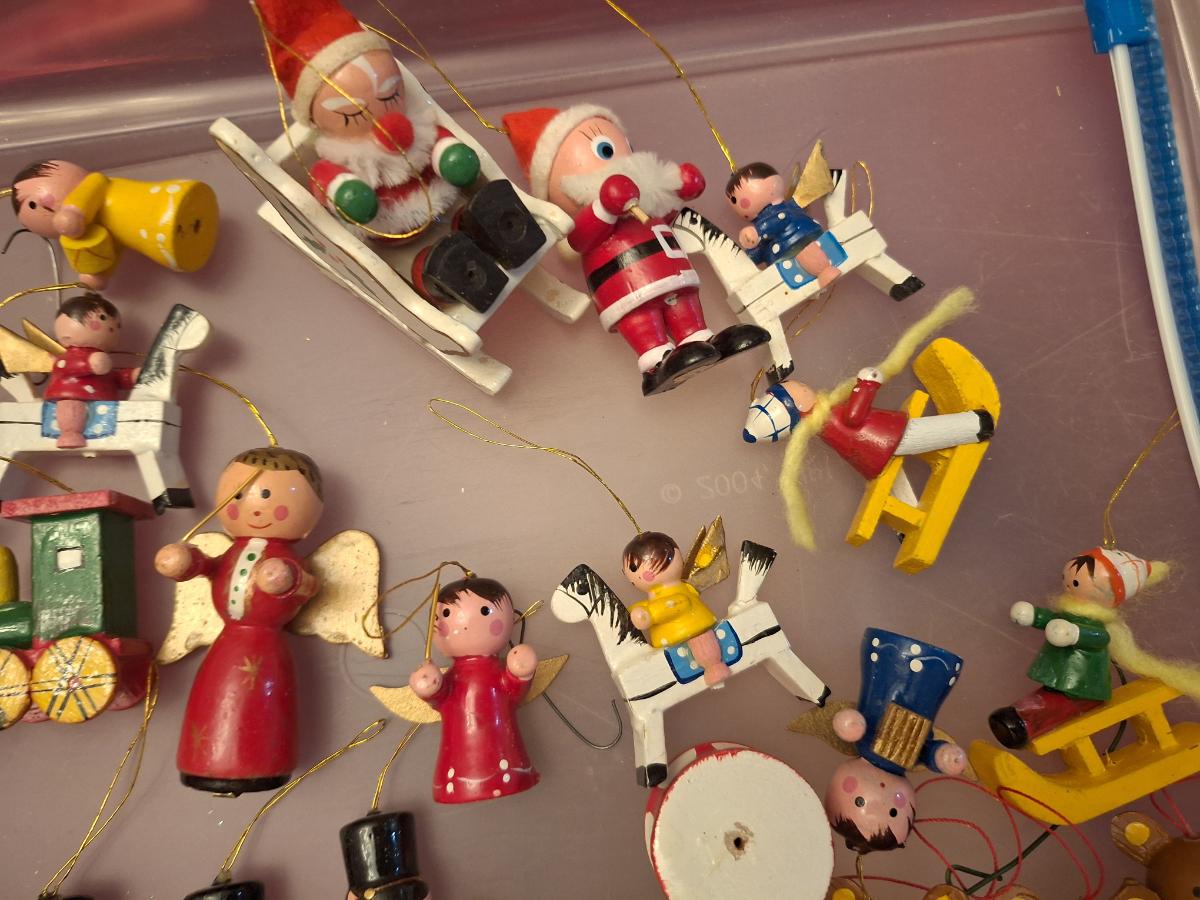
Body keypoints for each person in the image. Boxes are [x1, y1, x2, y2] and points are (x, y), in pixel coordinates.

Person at [254, 0, 544, 313]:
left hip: (444, 205)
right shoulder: (341, 157)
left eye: (392, 94)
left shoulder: (417, 126)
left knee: (480, 215)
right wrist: (347, 193)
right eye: (353, 114)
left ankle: (487, 233)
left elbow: (437, 140)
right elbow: (327, 182)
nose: (385, 118)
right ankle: (436, 280)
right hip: (391, 232)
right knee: (434, 264)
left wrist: (450, 154)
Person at [502, 104, 770, 395]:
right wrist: (606, 206)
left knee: (683, 305)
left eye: (626, 147)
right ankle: (656, 361)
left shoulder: (644, 201)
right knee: (642, 318)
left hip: (672, 272)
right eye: (606, 150)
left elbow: (667, 213)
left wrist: (680, 189)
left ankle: (699, 340)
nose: (624, 159)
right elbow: (580, 240)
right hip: (625, 288)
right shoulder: (588, 219)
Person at [155, 447, 324, 794]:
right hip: (227, 648)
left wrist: (289, 580)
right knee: (215, 702)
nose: (256, 507)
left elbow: (308, 585)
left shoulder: (288, 558)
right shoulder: (232, 552)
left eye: (267, 496)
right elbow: (207, 566)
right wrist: (185, 562)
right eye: (240, 495)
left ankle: (261, 764)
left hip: (264, 651)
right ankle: (204, 763)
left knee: (257, 709)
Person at [824, 629, 966, 853]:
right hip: (941, 674)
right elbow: (928, 751)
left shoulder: (865, 742)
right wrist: (943, 757)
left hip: (883, 659)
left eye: (860, 802)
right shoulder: (910, 757)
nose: (880, 800)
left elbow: (848, 722)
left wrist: (849, 725)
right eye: (893, 812)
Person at [408, 576, 540, 804]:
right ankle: (464, 785)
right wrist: (428, 687)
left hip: (505, 752)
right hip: (458, 759)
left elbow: (513, 692)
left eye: (485, 611)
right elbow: (440, 697)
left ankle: (508, 779)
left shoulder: (497, 672)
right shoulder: (451, 680)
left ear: (510, 621)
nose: (467, 623)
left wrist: (521, 672)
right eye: (446, 613)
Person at [11, 159, 218, 289]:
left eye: (32, 202)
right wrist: (100, 273)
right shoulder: (95, 233)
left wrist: (74, 211)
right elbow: (112, 249)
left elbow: (90, 191)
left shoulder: (94, 184)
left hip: (173, 204)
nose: (44, 203)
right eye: (32, 206)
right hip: (170, 248)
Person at [623, 531, 731, 687]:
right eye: (633, 568)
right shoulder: (653, 599)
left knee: (702, 642)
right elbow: (643, 609)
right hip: (666, 642)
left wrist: (650, 614)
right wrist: (631, 613)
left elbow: (676, 604)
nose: (642, 573)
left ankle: (714, 666)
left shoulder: (680, 592)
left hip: (693, 626)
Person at [44, 293, 140, 449]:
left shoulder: (103, 359)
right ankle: (69, 432)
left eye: (117, 325)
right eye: (102, 318)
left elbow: (114, 378)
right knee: (71, 407)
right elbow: (65, 367)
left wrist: (131, 376)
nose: (111, 328)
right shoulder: (66, 358)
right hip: (72, 395)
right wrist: (88, 364)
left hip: (103, 401)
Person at [725, 161, 839, 286]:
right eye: (734, 201)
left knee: (807, 253)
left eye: (736, 199)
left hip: (800, 239)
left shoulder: (782, 210)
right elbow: (762, 249)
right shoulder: (758, 227)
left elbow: (780, 220)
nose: (740, 204)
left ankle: (825, 271)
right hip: (781, 261)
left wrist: (758, 232)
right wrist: (751, 254)